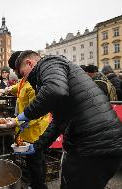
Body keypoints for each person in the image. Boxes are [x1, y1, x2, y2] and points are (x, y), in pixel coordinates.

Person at [9, 50, 122, 189]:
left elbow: (55, 90)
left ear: (29, 63)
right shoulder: (62, 77)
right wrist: (36, 146)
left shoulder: (49, 62)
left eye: (22, 73)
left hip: (92, 146)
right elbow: (59, 122)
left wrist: (25, 115)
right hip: (103, 147)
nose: (24, 79)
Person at [7, 51, 50, 189]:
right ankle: (35, 183)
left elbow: (36, 110)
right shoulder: (24, 80)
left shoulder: (33, 81)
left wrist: (18, 121)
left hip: (34, 129)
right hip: (26, 128)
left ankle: (39, 185)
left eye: (16, 69)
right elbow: (18, 88)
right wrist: (6, 90)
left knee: (36, 160)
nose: (16, 72)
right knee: (33, 160)